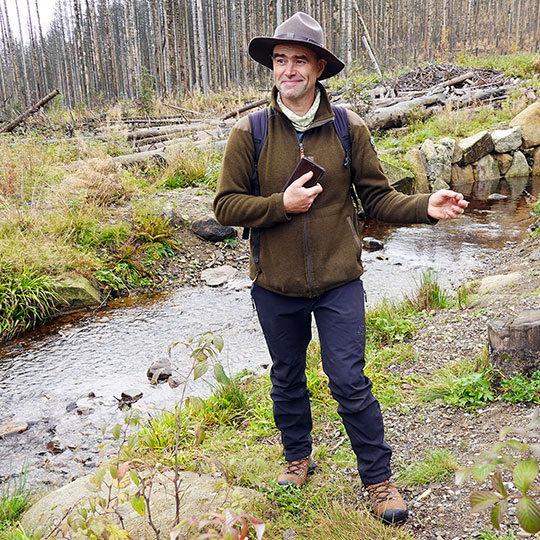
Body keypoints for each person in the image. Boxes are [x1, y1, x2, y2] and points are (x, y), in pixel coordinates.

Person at [213, 11, 468, 525]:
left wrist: (425, 206)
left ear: (319, 67)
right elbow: (225, 206)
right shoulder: (252, 131)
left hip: (338, 282)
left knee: (349, 380)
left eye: (300, 60)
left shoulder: (348, 128)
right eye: (280, 60)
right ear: (273, 68)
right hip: (275, 285)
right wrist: (279, 205)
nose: (289, 69)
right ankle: (297, 457)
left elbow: (378, 199)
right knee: (287, 377)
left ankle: (378, 481)